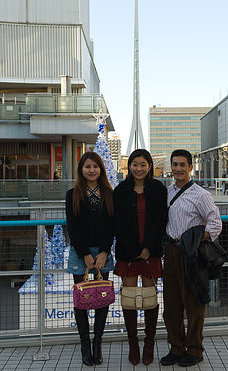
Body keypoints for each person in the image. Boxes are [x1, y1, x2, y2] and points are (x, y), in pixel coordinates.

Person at [160, 149, 222, 368]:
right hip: (171, 251)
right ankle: (176, 348)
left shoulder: (201, 194)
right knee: (171, 304)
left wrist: (195, 238)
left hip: (192, 253)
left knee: (194, 303)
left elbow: (215, 223)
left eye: (182, 165)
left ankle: (194, 349)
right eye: (175, 164)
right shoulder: (166, 192)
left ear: (190, 167)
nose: (178, 168)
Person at [113, 149, 167, 366]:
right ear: (129, 166)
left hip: (150, 251)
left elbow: (161, 220)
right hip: (128, 253)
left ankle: (149, 343)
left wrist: (147, 247)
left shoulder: (158, 189)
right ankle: (133, 343)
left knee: (149, 296)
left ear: (150, 166)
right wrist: (134, 248)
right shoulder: (121, 190)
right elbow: (118, 222)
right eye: (135, 164)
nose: (139, 168)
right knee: (128, 297)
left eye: (143, 164)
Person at [66, 152, 114, 367]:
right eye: (87, 166)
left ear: (101, 169)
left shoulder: (108, 193)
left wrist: (104, 251)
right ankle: (85, 344)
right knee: (82, 300)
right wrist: (85, 253)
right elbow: (72, 227)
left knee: (102, 298)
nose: (92, 170)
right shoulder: (72, 194)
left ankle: (97, 343)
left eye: (95, 166)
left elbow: (112, 225)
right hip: (80, 253)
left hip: (103, 252)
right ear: (81, 170)